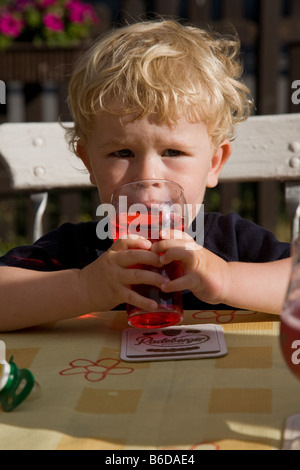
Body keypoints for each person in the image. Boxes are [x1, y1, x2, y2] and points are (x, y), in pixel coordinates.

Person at [0, 20, 291, 331]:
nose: (149, 176)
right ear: (89, 164)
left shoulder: (230, 243)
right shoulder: (79, 251)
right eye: (122, 153)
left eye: (173, 152)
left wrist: (226, 278)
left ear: (214, 163)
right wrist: (85, 287)